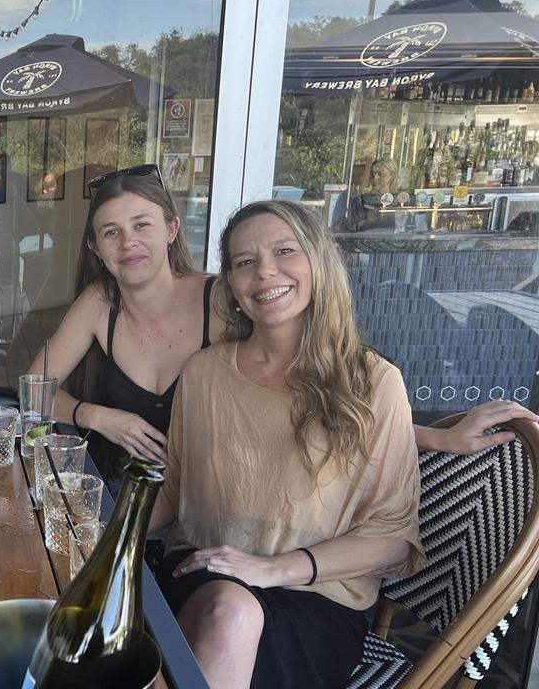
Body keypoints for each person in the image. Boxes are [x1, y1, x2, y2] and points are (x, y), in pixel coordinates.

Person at [28, 165, 539, 481]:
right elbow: (33, 389)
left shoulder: (224, 297)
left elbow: (311, 392)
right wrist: (99, 417)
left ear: (171, 229)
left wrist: (438, 438)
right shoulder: (100, 302)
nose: (128, 243)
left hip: (213, 505)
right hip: (123, 493)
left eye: (141, 225)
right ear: (95, 248)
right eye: (111, 233)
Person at [150, 199, 426, 688]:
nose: (265, 273)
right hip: (202, 567)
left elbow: (391, 539)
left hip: (317, 596)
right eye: (245, 262)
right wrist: (100, 536)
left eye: (284, 251)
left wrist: (273, 570)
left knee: (234, 612)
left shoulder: (373, 382)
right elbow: (174, 489)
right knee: (223, 606)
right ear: (231, 285)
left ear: (319, 261)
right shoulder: (204, 372)